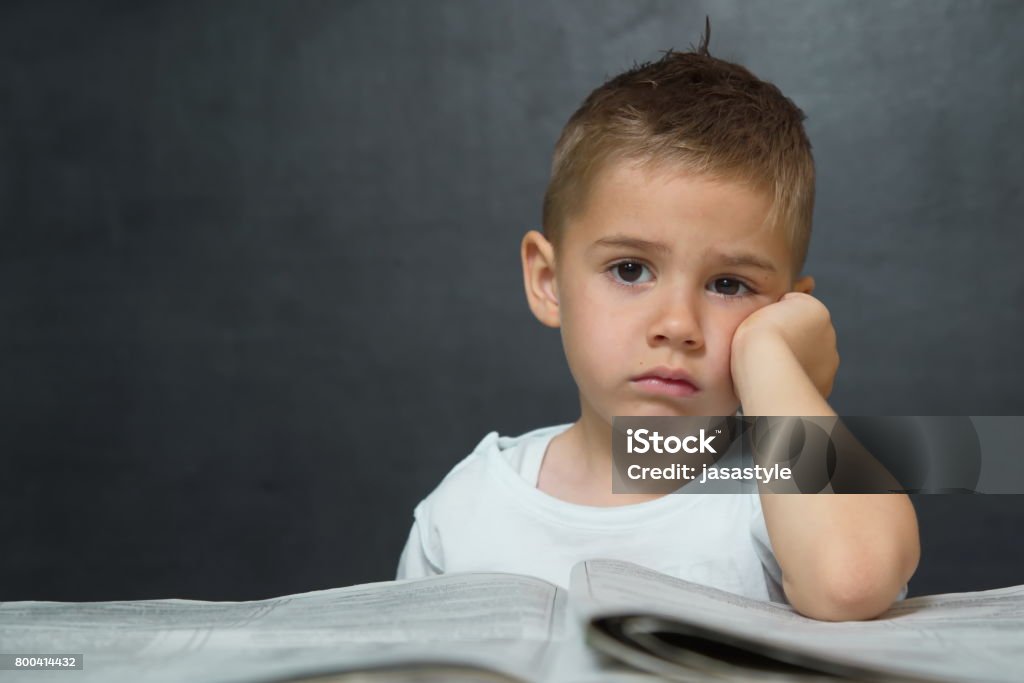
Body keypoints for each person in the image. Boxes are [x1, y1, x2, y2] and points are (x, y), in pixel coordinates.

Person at [396, 23, 919, 622]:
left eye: (729, 285)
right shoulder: (468, 508)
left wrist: (772, 359)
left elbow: (851, 584)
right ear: (547, 281)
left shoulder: (778, 500)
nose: (677, 325)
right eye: (629, 270)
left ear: (787, 310)